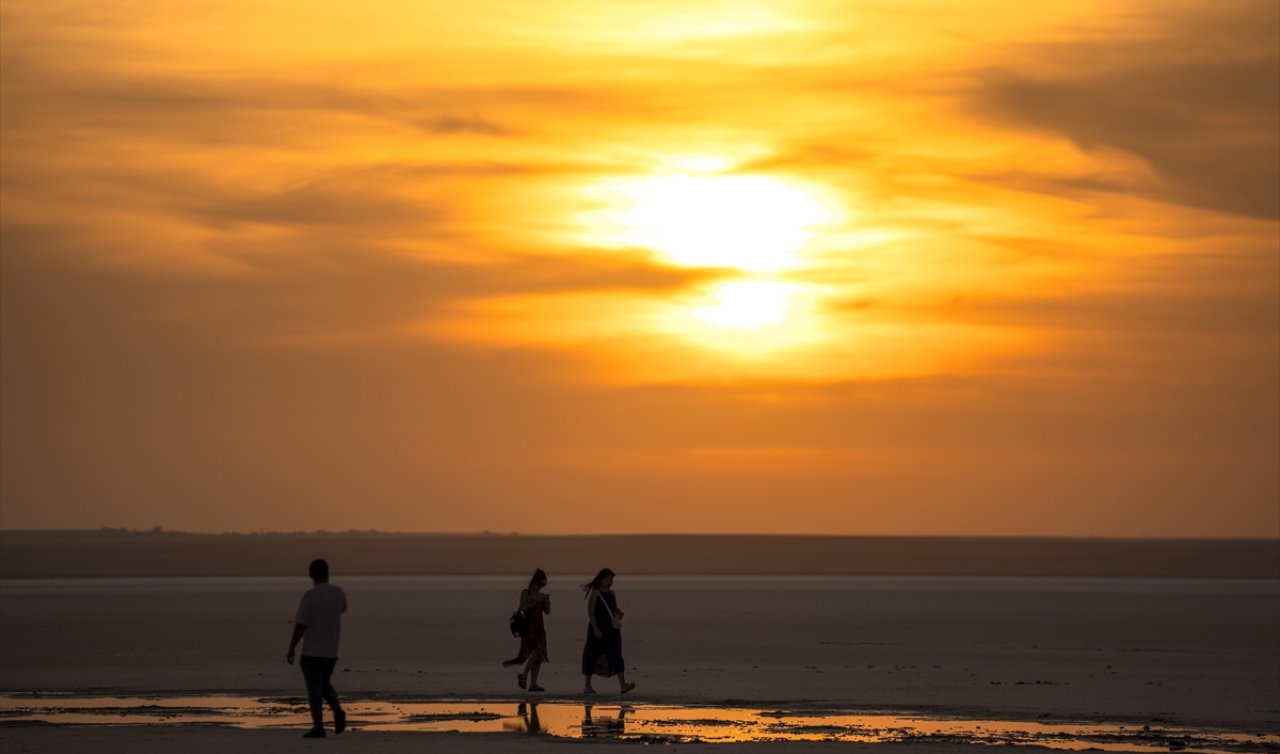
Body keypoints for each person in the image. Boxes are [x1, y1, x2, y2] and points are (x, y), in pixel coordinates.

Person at [286, 558, 348, 738]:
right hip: (331, 651)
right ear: (327, 573)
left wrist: (291, 647)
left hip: (312, 651)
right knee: (324, 683)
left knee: (314, 688)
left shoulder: (310, 596)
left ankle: (319, 726)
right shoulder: (338, 593)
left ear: (311, 575)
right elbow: (343, 609)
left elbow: (301, 624)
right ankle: (336, 709)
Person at [580, 568, 635, 695]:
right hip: (598, 629)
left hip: (612, 630)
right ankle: (587, 685)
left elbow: (612, 608)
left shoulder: (612, 594)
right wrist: (595, 629)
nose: (610, 582)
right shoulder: (595, 593)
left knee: (616, 654)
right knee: (592, 654)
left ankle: (623, 685)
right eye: (607, 579)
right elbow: (591, 613)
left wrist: (619, 613)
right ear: (601, 580)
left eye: (611, 580)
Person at [502, 568, 551, 691]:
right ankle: (523, 677)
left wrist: (547, 602)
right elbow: (522, 608)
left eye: (543, 585)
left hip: (540, 629)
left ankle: (533, 684)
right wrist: (535, 602)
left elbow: (547, 612)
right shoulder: (526, 593)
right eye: (540, 584)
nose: (541, 587)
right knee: (534, 655)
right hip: (529, 629)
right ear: (535, 582)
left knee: (539, 658)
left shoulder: (541, 595)